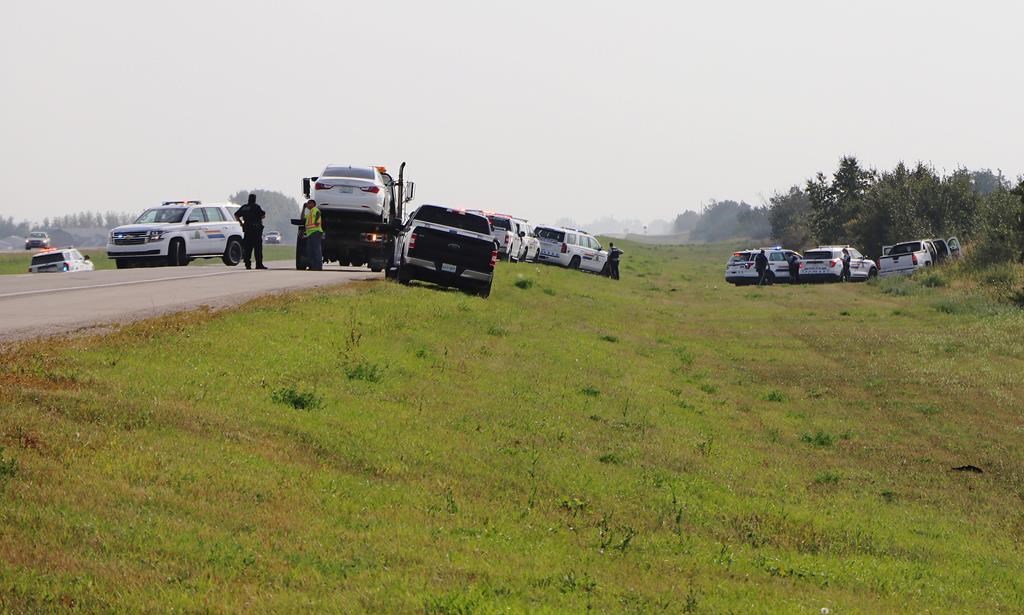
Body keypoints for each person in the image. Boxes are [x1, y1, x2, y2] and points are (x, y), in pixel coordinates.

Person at [235, 194, 267, 269]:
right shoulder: (256, 207)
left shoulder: (244, 207)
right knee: (258, 248)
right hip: (256, 231)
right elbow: (263, 215)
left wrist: (241, 223)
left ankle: (247, 264)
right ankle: (259, 264)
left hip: (247, 230)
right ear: (254, 199)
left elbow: (236, 215)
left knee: (248, 248)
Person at [304, 199, 323, 271]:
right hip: (310, 233)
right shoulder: (309, 213)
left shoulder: (316, 210)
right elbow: (302, 217)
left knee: (316, 250)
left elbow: (318, 219)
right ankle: (312, 266)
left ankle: (318, 267)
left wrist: (316, 223)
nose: (307, 205)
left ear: (313, 204)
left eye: (309, 203)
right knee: (310, 250)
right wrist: (303, 208)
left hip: (315, 232)